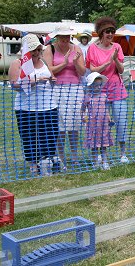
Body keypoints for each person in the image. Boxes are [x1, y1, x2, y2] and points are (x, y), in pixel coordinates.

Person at [9, 34, 59, 175]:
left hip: (48, 106)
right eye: (33, 50)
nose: (37, 53)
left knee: (49, 134)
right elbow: (14, 85)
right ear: (26, 51)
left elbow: (51, 78)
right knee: (29, 135)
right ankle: (32, 163)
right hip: (26, 108)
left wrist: (52, 81)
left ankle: (47, 161)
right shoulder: (18, 63)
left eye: (38, 49)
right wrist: (35, 81)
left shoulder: (43, 61)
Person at [86, 16, 129, 163]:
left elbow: (121, 70)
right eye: (107, 32)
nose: (110, 34)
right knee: (99, 123)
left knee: (121, 122)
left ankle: (123, 154)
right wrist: (108, 61)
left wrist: (115, 59)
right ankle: (99, 153)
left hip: (117, 89)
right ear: (101, 33)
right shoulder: (92, 48)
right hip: (99, 91)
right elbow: (93, 69)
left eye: (112, 31)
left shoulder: (117, 47)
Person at [43, 25, 86, 169]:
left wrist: (74, 63)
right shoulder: (50, 49)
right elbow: (48, 70)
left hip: (75, 89)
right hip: (57, 90)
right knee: (60, 126)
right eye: (62, 37)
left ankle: (74, 156)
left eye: (68, 37)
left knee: (74, 125)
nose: (65, 39)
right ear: (57, 37)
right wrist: (64, 63)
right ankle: (61, 157)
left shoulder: (77, 49)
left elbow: (82, 71)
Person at [81, 72, 113, 170]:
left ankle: (105, 162)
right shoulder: (87, 97)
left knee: (104, 145)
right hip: (92, 125)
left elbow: (106, 109)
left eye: (100, 85)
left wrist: (109, 119)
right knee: (94, 146)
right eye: (95, 85)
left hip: (103, 125)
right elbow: (82, 109)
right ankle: (95, 162)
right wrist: (83, 116)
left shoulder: (104, 96)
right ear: (90, 86)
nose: (98, 88)